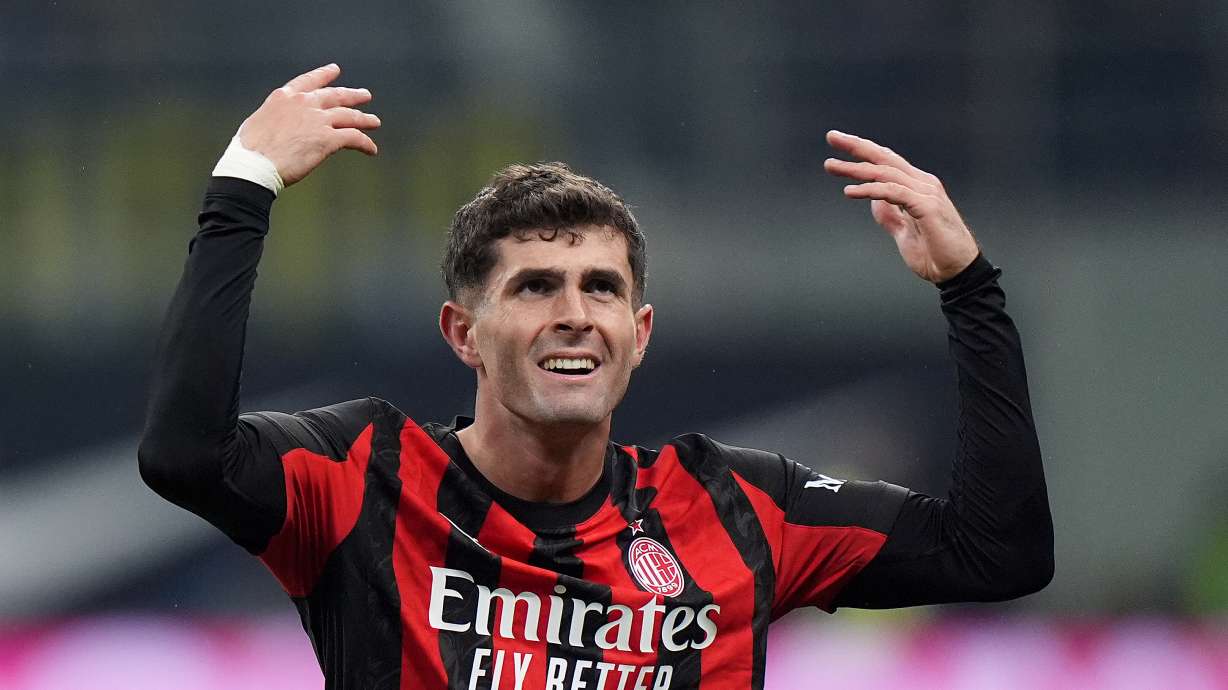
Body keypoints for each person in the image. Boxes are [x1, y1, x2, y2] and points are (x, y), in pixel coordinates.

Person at [139, 64, 1053, 690]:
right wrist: (242, 187)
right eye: (535, 287)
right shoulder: (365, 480)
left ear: (640, 333)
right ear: (463, 333)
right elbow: (185, 455)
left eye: (601, 288)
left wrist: (969, 292)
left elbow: (998, 551)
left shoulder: (738, 508)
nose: (574, 311)